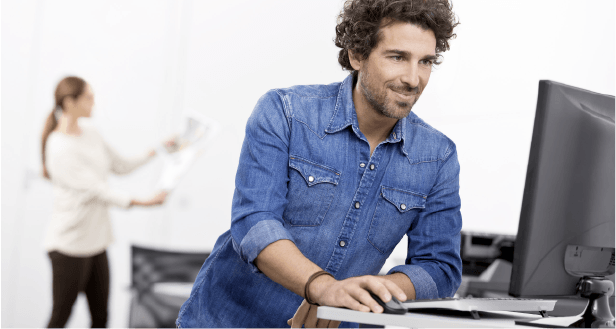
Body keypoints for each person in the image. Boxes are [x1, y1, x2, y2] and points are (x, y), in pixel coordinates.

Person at [177, 0, 461, 327]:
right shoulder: (285, 112)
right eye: (397, 57)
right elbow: (254, 222)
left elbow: (440, 267)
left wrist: (369, 294)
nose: (413, 79)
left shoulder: (438, 156)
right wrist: (323, 288)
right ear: (357, 54)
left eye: (425, 61)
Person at [41, 76, 171, 328]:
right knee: (61, 317)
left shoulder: (91, 133)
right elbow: (97, 191)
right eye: (88, 97)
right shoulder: (58, 147)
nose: (94, 103)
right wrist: (144, 202)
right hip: (69, 245)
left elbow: (121, 166)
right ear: (70, 102)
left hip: (96, 241)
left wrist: (158, 149)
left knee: (101, 317)